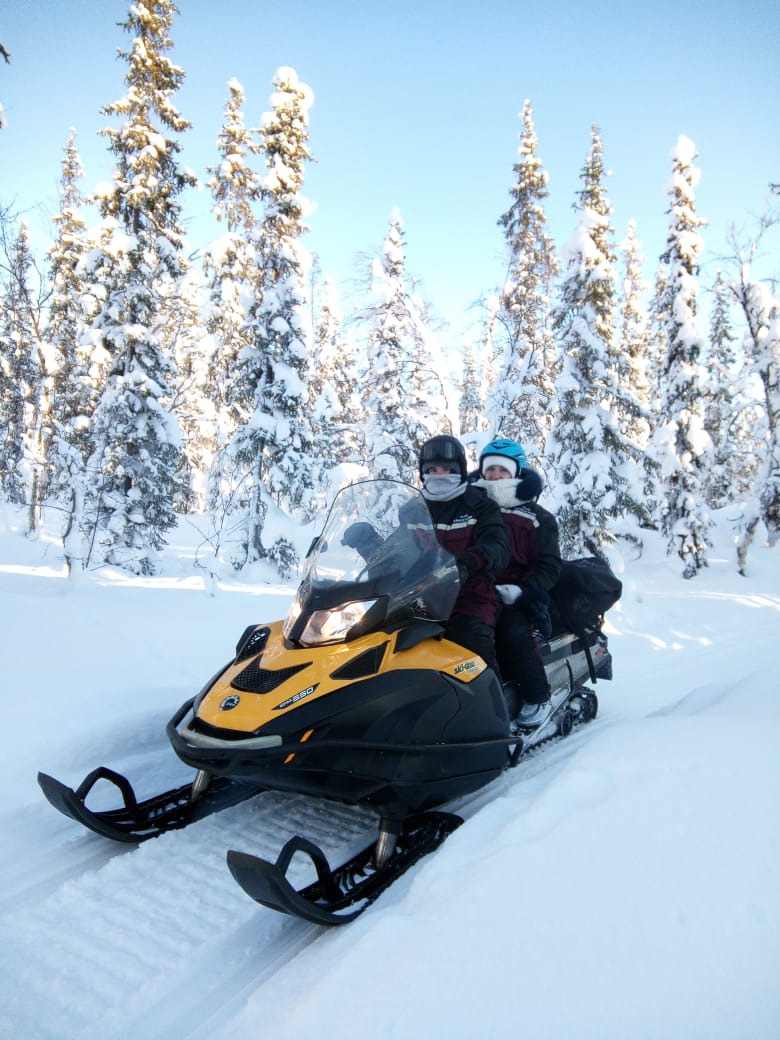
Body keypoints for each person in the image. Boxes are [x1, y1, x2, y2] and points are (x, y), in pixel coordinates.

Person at [474, 437, 562, 726]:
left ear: (517, 472)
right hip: (473, 588)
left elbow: (549, 565)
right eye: (490, 470)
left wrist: (523, 590)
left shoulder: (537, 518)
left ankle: (538, 696)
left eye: (503, 470)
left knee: (512, 632)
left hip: (517, 594)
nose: (495, 476)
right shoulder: (471, 508)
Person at [418, 434, 510, 673]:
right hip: (421, 596)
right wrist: (367, 543)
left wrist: (468, 562)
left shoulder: (480, 506)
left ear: (460, 469)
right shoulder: (413, 509)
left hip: (471, 595)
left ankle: (491, 703)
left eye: (447, 469)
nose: (439, 475)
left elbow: (499, 548)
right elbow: (397, 552)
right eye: (432, 469)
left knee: (470, 641)